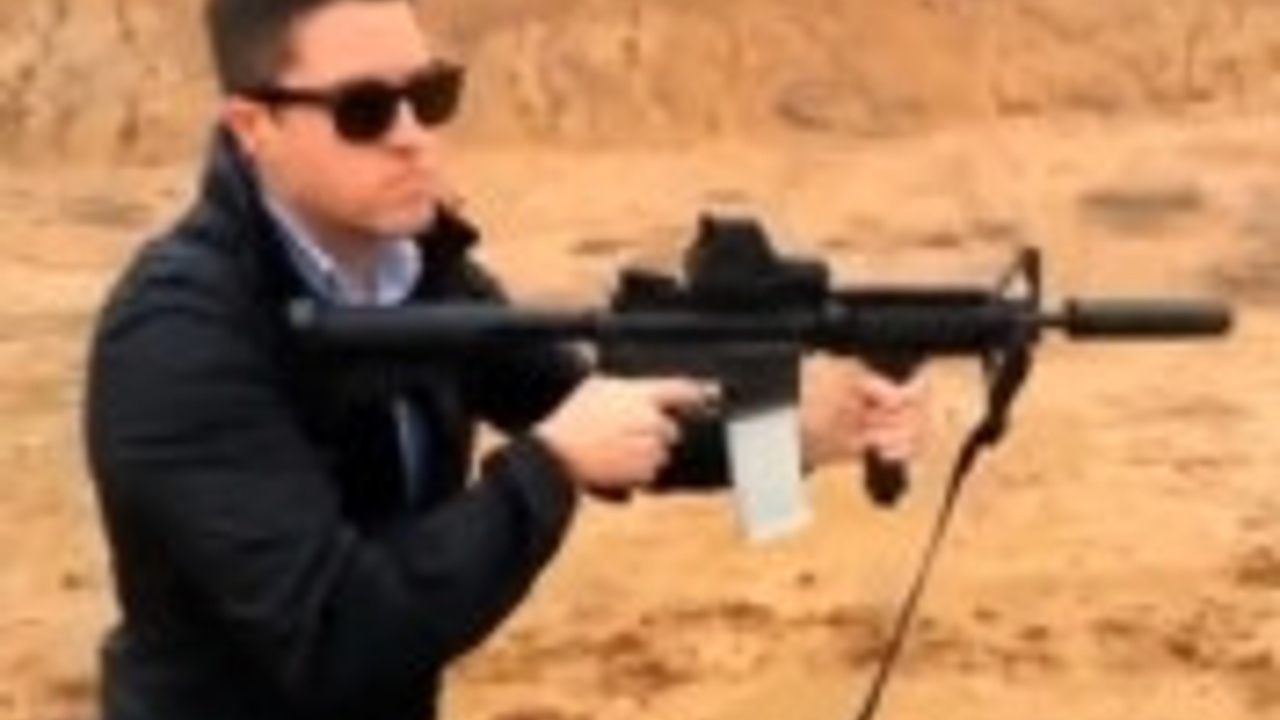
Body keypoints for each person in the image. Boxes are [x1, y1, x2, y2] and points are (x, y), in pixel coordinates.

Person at [82, 1, 927, 719]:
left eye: (428, 96)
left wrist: (806, 432)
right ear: (253, 127)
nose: (412, 137)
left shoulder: (416, 272)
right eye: (364, 111)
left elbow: (601, 410)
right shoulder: (177, 341)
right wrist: (548, 468)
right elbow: (338, 638)